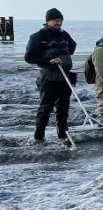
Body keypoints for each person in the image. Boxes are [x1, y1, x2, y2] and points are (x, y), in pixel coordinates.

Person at [23, 7, 77, 144]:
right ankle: (39, 137)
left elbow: (72, 46)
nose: (58, 23)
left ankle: (63, 135)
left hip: (65, 77)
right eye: (55, 21)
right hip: (48, 77)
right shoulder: (38, 36)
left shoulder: (63, 34)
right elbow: (29, 57)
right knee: (45, 108)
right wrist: (48, 60)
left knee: (63, 108)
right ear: (48, 21)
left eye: (60, 21)